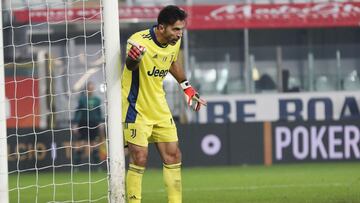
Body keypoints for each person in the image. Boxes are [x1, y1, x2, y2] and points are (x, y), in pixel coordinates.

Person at [122, 5, 206, 203]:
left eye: (182, 30)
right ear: (161, 27)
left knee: (173, 156)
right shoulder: (137, 41)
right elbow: (130, 65)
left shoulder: (174, 42)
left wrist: (187, 88)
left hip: (159, 107)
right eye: (176, 29)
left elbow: (172, 62)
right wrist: (135, 59)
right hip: (136, 107)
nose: (179, 34)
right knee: (139, 158)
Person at [73, 81, 103, 165]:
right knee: (81, 143)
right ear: (87, 89)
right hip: (83, 123)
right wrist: (75, 123)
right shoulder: (82, 100)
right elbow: (78, 111)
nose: (90, 90)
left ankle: (97, 165)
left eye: (92, 88)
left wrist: (100, 123)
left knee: (94, 143)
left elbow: (99, 112)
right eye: (89, 88)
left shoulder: (97, 100)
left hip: (94, 123)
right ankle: (76, 165)